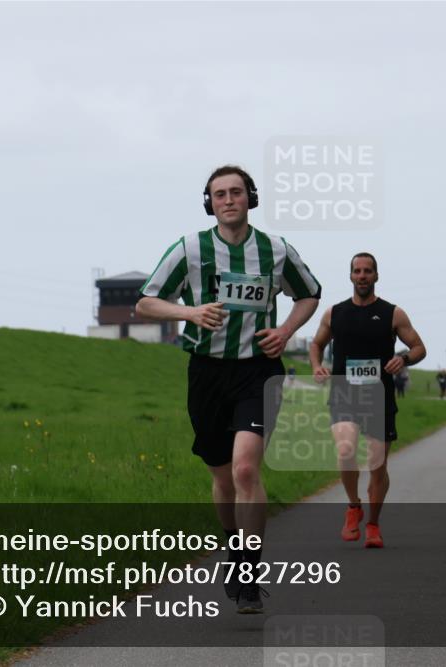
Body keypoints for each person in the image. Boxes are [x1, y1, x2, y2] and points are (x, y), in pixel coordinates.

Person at [136, 165, 321, 613]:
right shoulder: (190, 249)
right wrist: (190, 314)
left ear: (250, 198)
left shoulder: (275, 250)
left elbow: (310, 293)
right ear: (209, 203)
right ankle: (233, 546)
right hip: (207, 372)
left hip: (258, 369)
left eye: (236, 192)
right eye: (219, 194)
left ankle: (250, 572)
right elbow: (145, 301)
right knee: (221, 475)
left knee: (244, 470)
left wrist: (285, 329)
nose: (228, 200)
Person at [309, 253, 426, 548]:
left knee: (378, 464)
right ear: (350, 276)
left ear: (376, 276)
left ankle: (373, 524)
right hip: (344, 393)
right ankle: (353, 506)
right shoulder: (334, 313)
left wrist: (403, 359)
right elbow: (316, 344)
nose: (362, 276)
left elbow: (419, 347)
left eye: (368, 271)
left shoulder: (393, 313)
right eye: (357, 271)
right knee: (346, 448)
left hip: (379, 396)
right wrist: (315, 365)